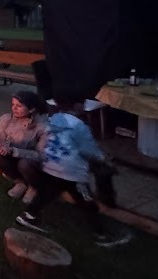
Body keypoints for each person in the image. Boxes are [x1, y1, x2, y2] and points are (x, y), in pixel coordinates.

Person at [16, 97, 131, 248]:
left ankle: (28, 215)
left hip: (51, 165)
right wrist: (103, 159)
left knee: (47, 192)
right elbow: (88, 149)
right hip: (72, 173)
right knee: (87, 201)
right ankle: (101, 235)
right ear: (78, 106)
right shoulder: (79, 126)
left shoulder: (54, 119)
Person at [0, 91, 46, 203]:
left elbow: (40, 155)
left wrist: (13, 151)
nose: (14, 109)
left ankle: (34, 186)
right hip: (12, 157)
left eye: (19, 106)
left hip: (32, 163)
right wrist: (0, 146)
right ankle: (20, 182)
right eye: (13, 105)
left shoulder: (42, 127)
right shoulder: (6, 119)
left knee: (24, 164)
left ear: (31, 109)